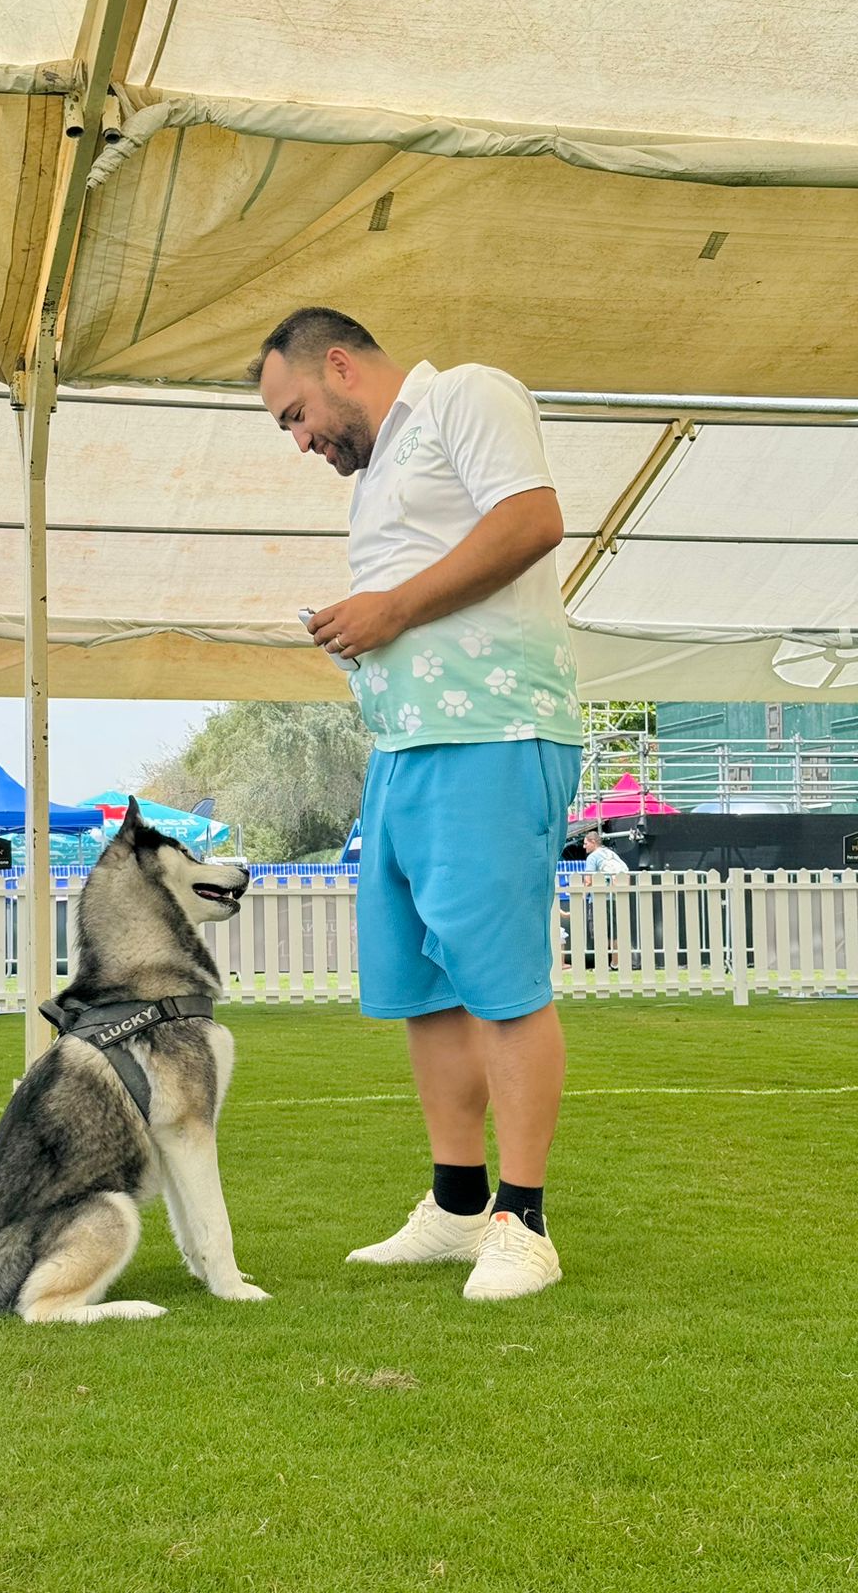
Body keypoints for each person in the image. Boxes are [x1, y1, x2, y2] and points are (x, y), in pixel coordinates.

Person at [251, 308, 582, 1301]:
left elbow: (533, 521)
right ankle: (455, 1201)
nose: (302, 440)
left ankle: (523, 1221)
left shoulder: (464, 397)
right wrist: (367, 625)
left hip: (497, 730)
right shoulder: (381, 472)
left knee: (499, 977)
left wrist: (388, 610)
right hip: (406, 746)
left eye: (297, 414)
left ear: (341, 365)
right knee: (425, 984)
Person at [581, 831, 630, 969]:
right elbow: (625, 871)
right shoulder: (611, 854)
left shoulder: (592, 857)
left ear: (593, 842)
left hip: (599, 899)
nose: (584, 847)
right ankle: (615, 963)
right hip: (614, 897)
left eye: (585, 844)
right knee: (614, 932)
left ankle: (602, 964)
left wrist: (582, 898)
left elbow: (588, 880)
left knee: (598, 931)